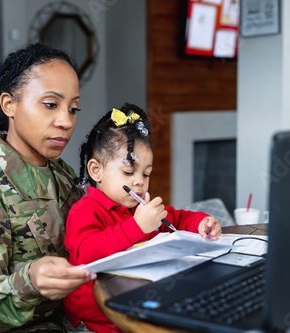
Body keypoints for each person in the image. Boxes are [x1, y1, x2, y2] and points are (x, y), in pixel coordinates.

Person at [0, 43, 96, 332]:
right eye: (51, 104)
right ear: (9, 104)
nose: (66, 121)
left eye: (73, 108)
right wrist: (30, 280)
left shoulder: (63, 175)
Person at [64, 103, 222, 332]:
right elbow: (87, 254)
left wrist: (201, 222)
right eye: (129, 172)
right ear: (96, 171)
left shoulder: (140, 207)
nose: (139, 181)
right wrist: (137, 226)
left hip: (135, 309)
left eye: (146, 173)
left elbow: (176, 219)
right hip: (95, 324)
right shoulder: (85, 209)